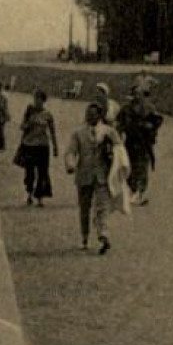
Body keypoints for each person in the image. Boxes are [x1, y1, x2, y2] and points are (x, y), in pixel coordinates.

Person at [65, 101, 117, 254]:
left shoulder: (109, 132)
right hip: (84, 175)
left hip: (102, 176)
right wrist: (70, 164)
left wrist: (113, 157)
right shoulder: (78, 134)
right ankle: (84, 237)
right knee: (84, 208)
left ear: (100, 116)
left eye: (93, 114)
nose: (89, 117)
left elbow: (119, 150)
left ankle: (103, 235)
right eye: (87, 114)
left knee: (102, 208)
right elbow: (70, 151)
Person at [116, 87, 164, 205]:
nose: (137, 96)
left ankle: (139, 191)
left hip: (143, 143)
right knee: (129, 166)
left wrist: (150, 127)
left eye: (139, 94)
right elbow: (120, 123)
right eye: (135, 94)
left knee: (141, 167)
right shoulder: (126, 109)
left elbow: (157, 121)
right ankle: (132, 190)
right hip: (130, 142)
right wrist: (118, 135)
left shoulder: (149, 108)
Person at [16, 89, 58, 206]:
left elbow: (52, 131)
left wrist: (55, 147)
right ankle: (29, 194)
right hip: (29, 145)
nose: (36, 101)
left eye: (39, 99)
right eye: (35, 99)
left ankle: (40, 197)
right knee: (29, 172)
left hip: (43, 146)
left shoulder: (48, 115)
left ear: (43, 101)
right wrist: (28, 123)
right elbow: (22, 127)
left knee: (42, 172)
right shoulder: (29, 112)